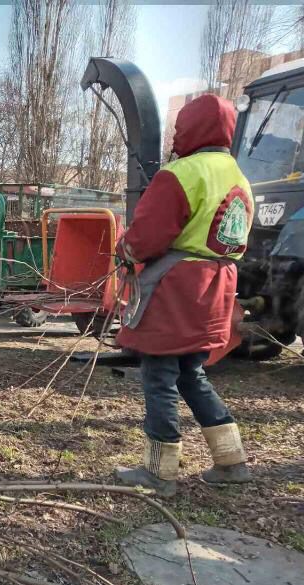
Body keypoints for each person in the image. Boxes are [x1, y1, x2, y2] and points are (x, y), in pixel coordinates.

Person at [113, 94, 254, 498]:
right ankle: (231, 460)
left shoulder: (182, 173)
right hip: (218, 285)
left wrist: (125, 249)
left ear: (191, 128)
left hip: (177, 285)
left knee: (159, 375)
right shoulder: (239, 179)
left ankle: (159, 472)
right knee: (191, 372)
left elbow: (148, 236)